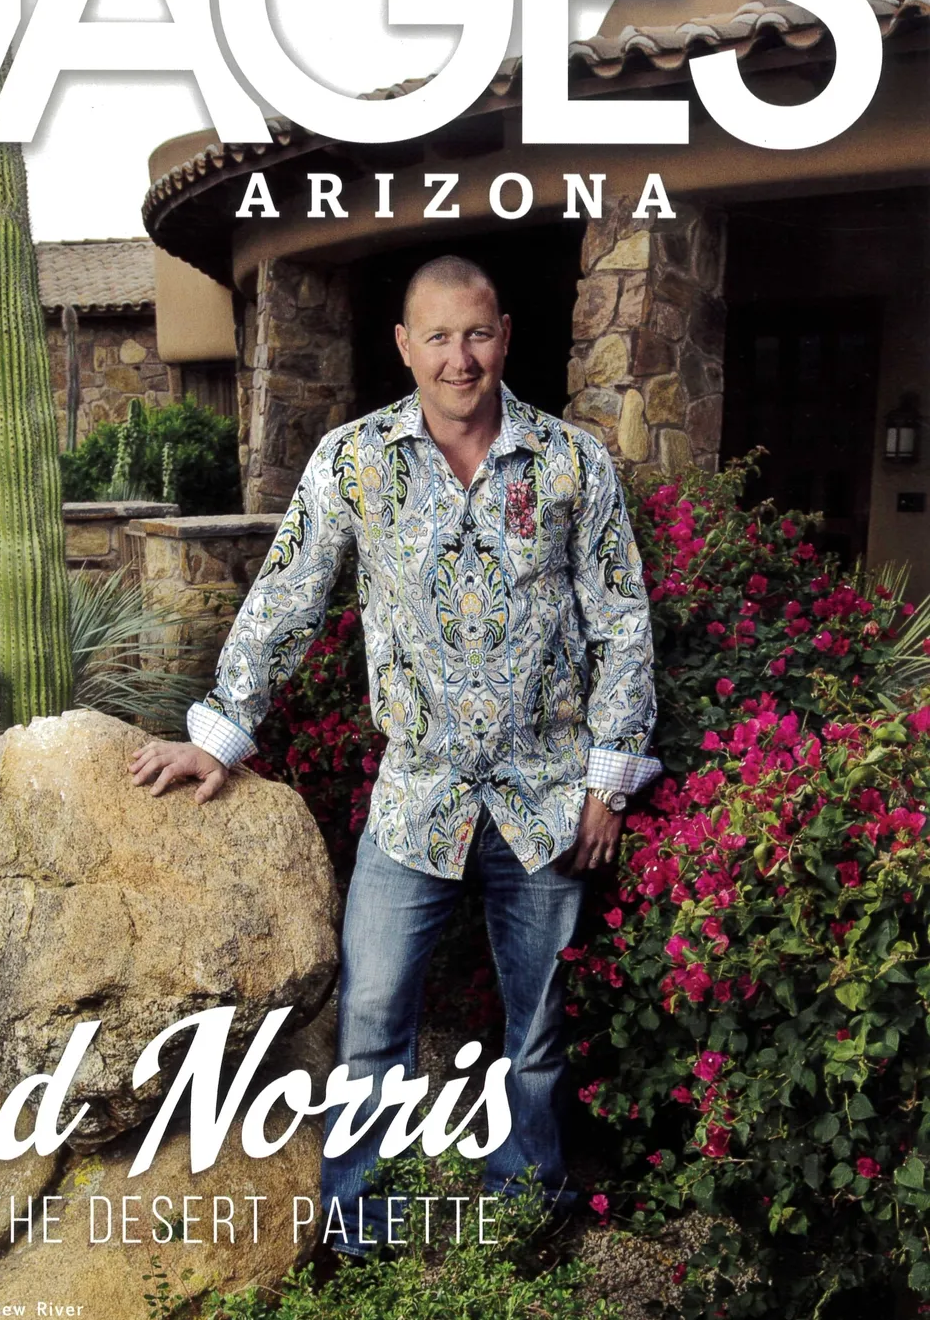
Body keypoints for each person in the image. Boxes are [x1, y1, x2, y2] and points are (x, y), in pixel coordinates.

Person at [130, 254, 660, 1251]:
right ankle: (354, 1229)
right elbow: (286, 595)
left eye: (476, 334)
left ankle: (524, 1210)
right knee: (370, 1024)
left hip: (544, 799)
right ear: (403, 346)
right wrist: (220, 733)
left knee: (535, 1037)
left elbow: (619, 626)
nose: (458, 358)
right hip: (414, 800)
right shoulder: (352, 460)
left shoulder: (571, 464)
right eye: (437, 337)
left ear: (503, 333)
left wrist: (607, 782)